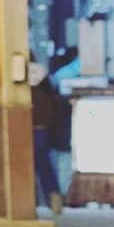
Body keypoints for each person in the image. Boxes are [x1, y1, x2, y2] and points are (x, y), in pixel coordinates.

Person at [31, 72, 64, 214]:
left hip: (32, 130)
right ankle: (54, 198)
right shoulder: (48, 93)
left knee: (29, 166)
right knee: (44, 166)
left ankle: (33, 200)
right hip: (43, 131)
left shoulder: (29, 92)